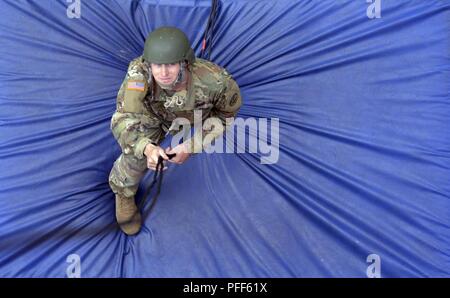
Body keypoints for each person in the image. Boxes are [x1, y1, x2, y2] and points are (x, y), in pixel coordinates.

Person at [109, 26, 242, 235]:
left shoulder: (215, 82)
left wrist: (191, 146)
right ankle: (123, 192)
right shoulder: (139, 74)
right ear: (148, 63)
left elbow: (227, 115)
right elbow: (123, 118)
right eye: (157, 65)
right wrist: (147, 148)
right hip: (151, 116)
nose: (163, 73)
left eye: (171, 64)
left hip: (190, 116)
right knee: (134, 156)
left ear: (185, 62)